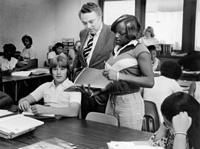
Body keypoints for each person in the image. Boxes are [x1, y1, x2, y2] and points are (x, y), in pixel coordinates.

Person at [101, 14, 154, 130]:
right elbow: (112, 79)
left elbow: (150, 81)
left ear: (131, 33)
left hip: (129, 101)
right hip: (111, 100)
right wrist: (100, 90)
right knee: (109, 140)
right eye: (115, 32)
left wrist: (119, 76)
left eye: (120, 33)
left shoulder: (140, 50)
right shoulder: (116, 50)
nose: (116, 36)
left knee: (128, 142)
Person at [74, 2, 115, 119]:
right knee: (85, 124)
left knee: (101, 128)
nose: (88, 26)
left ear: (100, 17)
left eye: (91, 22)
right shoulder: (83, 33)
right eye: (84, 23)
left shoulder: (112, 33)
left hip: (103, 91)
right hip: (84, 89)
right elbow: (84, 59)